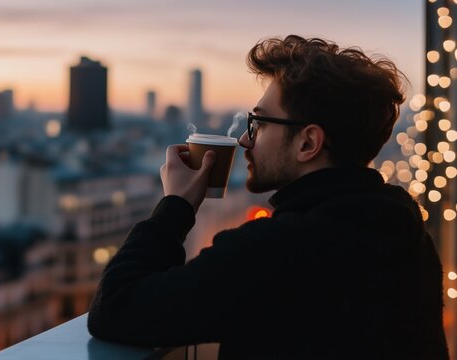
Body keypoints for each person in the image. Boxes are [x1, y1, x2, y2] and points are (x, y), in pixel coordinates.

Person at [87, 35, 448, 359]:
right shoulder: (404, 230)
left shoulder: (278, 249)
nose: (245, 140)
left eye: (258, 124)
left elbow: (116, 309)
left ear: (308, 142)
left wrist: (175, 206)